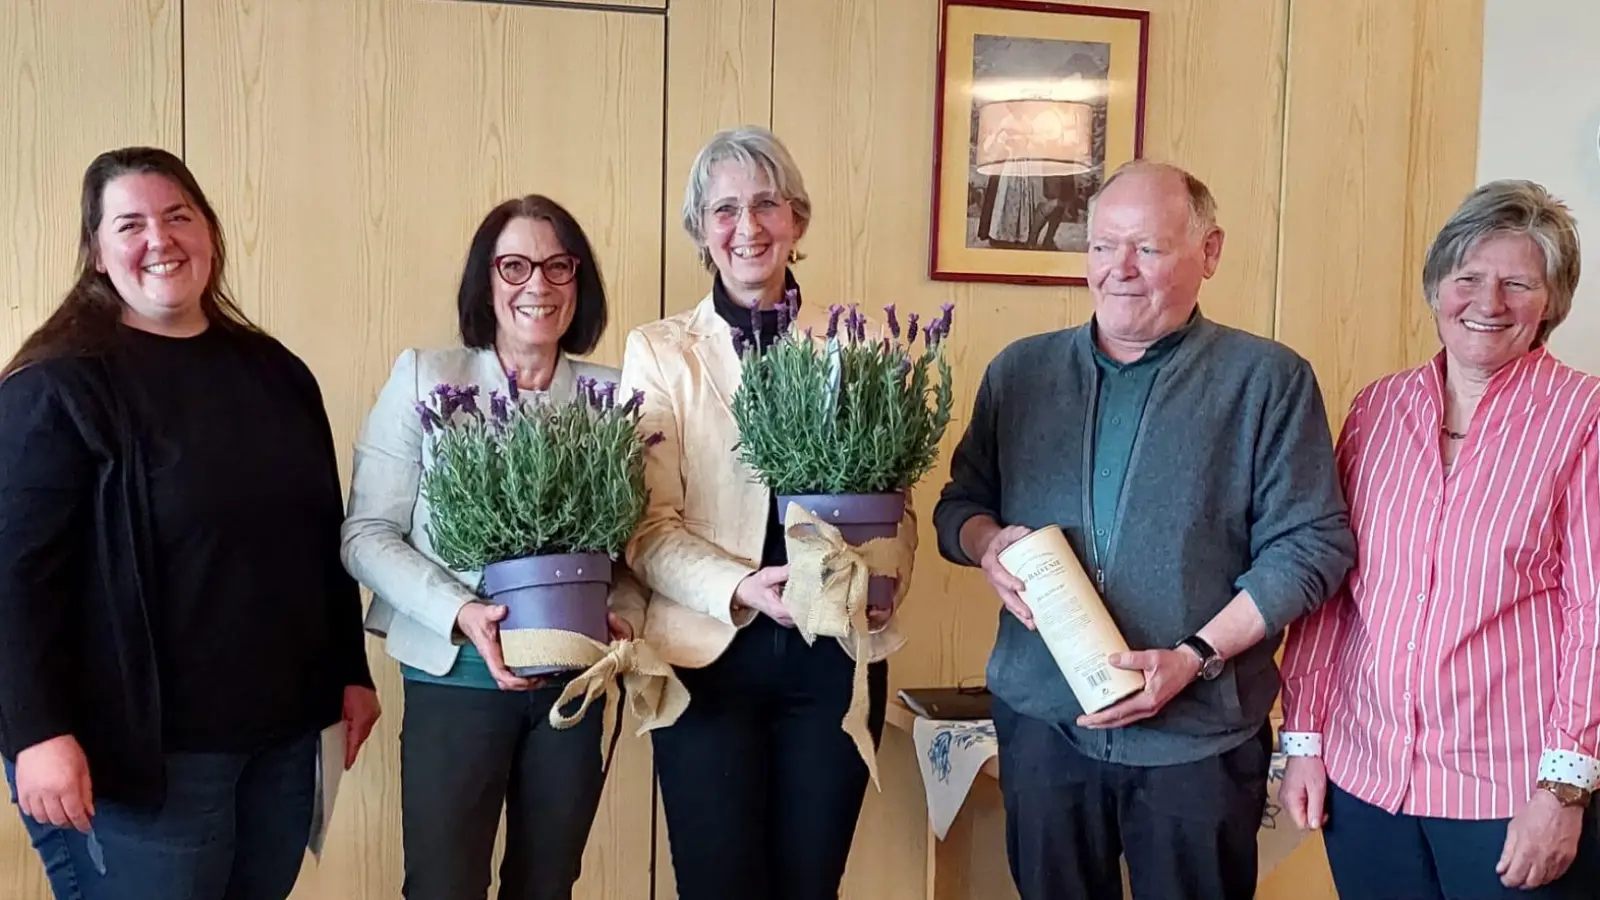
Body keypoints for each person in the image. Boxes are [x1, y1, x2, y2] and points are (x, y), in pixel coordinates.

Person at [932, 160, 1357, 900]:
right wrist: (985, 544)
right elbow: (959, 506)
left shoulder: (1267, 380)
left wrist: (1196, 656)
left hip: (1199, 737)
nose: (1119, 269)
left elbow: (1311, 546)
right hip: (1045, 724)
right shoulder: (1020, 372)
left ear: (1210, 252)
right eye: (1103, 246)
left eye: (1148, 248)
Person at [0, 146, 380, 900]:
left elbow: (319, 536)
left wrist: (351, 669)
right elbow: (12, 580)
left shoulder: (277, 373)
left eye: (178, 216)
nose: (160, 239)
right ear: (97, 253)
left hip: (282, 739)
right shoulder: (54, 388)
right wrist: (34, 732)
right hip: (140, 755)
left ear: (209, 232)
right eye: (130, 225)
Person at [1278, 180, 1600, 899]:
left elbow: (1595, 614)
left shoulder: (1586, 416)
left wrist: (1564, 790)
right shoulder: (1376, 408)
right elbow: (1332, 588)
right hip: (1365, 781)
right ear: (1436, 288)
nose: (1489, 303)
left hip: (1511, 793)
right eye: (1469, 278)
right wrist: (1304, 739)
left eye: (1518, 283)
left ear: (1551, 301)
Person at [619, 125, 913, 900]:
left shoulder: (859, 346)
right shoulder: (659, 352)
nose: (746, 227)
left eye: (766, 204)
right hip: (706, 656)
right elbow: (645, 528)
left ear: (797, 220)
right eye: (724, 210)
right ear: (700, 229)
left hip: (833, 655)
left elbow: (895, 506)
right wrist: (741, 587)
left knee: (811, 886)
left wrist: (887, 580)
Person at [341, 194, 639, 900]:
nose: (538, 284)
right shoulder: (425, 377)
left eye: (558, 266)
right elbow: (365, 534)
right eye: (515, 266)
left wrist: (623, 614)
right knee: (443, 885)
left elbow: (633, 550)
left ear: (579, 282)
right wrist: (462, 611)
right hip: (455, 680)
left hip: (570, 683)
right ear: (485, 281)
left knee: (548, 884)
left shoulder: (614, 396)